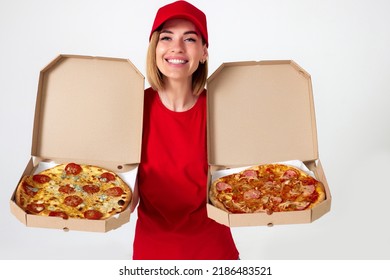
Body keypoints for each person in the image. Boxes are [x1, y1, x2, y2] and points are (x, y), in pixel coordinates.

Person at [131, 0, 239, 260]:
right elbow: (127, 199)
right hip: (152, 255)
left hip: (214, 254)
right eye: (166, 37)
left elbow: (236, 189)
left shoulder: (222, 111)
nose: (176, 48)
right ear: (155, 48)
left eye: (189, 39)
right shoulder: (131, 109)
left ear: (203, 52)